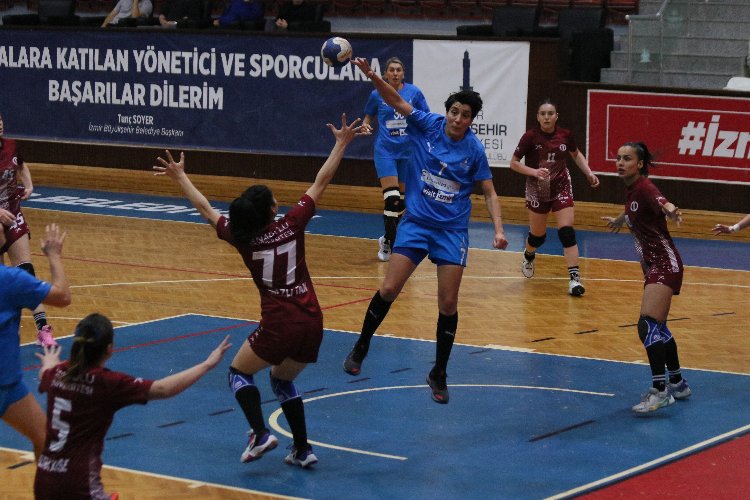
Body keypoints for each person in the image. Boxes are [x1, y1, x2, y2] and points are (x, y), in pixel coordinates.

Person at [153, 114, 367, 467]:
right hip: (312, 321)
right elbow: (321, 181)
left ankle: (260, 433)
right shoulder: (292, 224)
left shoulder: (241, 238)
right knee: (281, 381)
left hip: (279, 324)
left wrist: (180, 177)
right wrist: (341, 144)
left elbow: (205, 209)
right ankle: (302, 449)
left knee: (238, 373)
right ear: (272, 209)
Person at [343, 57, 509, 405]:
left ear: (471, 120)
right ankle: (362, 344)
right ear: (446, 112)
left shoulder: (474, 150)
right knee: (389, 288)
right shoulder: (428, 124)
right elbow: (394, 100)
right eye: (454, 112)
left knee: (447, 303)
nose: (458, 119)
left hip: (451, 231)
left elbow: (490, 192)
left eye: (465, 115)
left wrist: (498, 229)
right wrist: (372, 75)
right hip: (417, 223)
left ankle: (439, 372)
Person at [33, 314, 231, 499]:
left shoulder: (56, 374)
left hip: (44, 479)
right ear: (109, 348)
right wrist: (207, 364)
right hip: (79, 483)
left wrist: (49, 363)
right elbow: (163, 389)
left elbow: (45, 374)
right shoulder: (107, 383)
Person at [601, 142, 691, 413]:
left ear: (639, 164)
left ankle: (660, 391)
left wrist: (672, 210)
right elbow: (634, 210)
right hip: (656, 266)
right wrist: (620, 220)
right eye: (618, 158)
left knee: (647, 325)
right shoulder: (632, 190)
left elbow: (662, 202)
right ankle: (678, 383)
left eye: (627, 159)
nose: (620, 162)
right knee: (659, 327)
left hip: (665, 263)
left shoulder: (645, 188)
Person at [510, 100, 600, 296]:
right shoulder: (530, 137)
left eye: (550, 113)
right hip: (538, 188)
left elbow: (576, 154)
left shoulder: (565, 135)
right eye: (543, 113)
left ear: (556, 116)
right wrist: (534, 172)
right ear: (537, 117)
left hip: (561, 186)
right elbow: (514, 163)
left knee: (566, 232)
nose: (546, 117)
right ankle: (529, 255)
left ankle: (575, 280)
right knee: (538, 237)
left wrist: (588, 172)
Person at [0, 224, 70, 459]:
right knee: (47, 441)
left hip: (9, 388)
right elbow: (63, 296)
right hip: (5, 384)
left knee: (46, 439)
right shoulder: (10, 280)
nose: (4, 227)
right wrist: (54, 255)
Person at [362, 56, 430, 262]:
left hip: (408, 153)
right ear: (385, 74)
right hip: (386, 152)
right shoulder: (377, 94)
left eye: (398, 70)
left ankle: (386, 237)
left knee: (401, 202)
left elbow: (425, 118)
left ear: (403, 74)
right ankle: (390, 244)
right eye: (391, 70)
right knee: (391, 198)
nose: (395, 73)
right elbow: (368, 116)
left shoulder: (414, 93)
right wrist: (366, 125)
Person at [0, 111, 58, 347]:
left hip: (13, 213)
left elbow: (21, 166)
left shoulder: (11, 145)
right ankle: (6, 332)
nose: (0, 124)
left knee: (26, 273)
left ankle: (43, 330)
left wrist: (29, 185)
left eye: (0, 119)